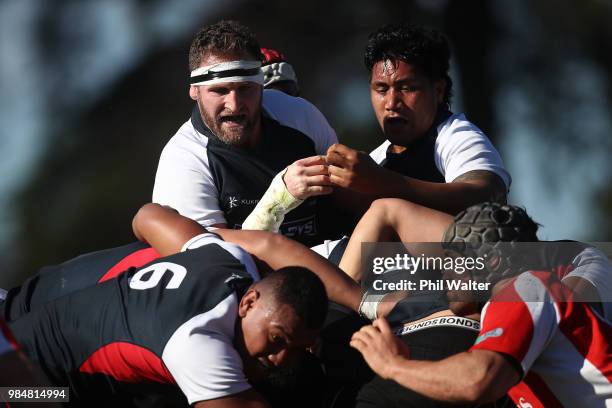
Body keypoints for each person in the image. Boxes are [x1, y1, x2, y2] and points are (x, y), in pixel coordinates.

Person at [2, 233, 329, 406]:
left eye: (298, 348)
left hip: (42, 329)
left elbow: (148, 215)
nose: (281, 357)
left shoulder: (230, 258)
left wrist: (364, 302)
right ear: (249, 302)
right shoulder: (198, 342)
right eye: (277, 339)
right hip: (31, 382)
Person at [350, 202, 612, 407]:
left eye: (452, 259)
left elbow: (478, 379)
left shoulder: (523, 289)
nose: (444, 272)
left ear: (493, 262)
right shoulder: (518, 299)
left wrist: (393, 366)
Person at [152, 20, 340, 247]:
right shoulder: (183, 160)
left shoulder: (298, 114)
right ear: (195, 90)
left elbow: (351, 200)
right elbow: (215, 265)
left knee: (385, 215)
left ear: (261, 84)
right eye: (220, 91)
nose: (234, 105)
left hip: (337, 258)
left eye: (245, 89)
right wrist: (278, 200)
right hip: (262, 281)